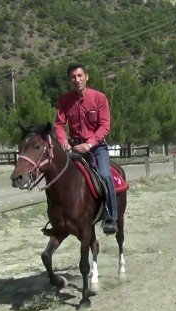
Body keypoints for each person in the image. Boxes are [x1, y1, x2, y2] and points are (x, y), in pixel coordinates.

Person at [54, 63, 118, 235]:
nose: (77, 80)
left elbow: (104, 126)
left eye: (80, 76)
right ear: (69, 80)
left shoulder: (99, 98)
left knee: (104, 175)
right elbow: (59, 125)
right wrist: (63, 141)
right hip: (73, 148)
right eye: (73, 77)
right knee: (60, 178)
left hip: (96, 148)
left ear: (86, 77)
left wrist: (89, 143)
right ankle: (59, 218)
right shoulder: (65, 100)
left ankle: (110, 216)